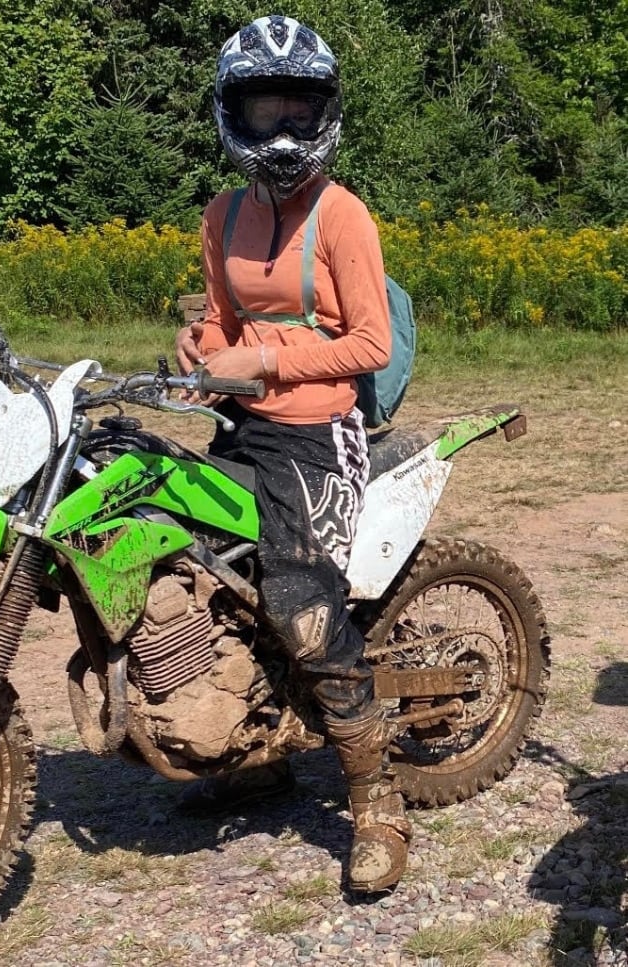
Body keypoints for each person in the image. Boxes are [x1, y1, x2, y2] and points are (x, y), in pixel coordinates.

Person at [175, 14, 410, 894]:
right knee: (202, 570)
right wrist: (201, 343)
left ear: (324, 111)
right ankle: (256, 751)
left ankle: (374, 799)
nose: (280, 128)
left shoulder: (343, 215)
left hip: (319, 435)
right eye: (263, 106)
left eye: (297, 106)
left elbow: (370, 344)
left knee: (302, 604)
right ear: (233, 111)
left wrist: (266, 360)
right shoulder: (223, 212)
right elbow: (220, 317)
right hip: (240, 426)